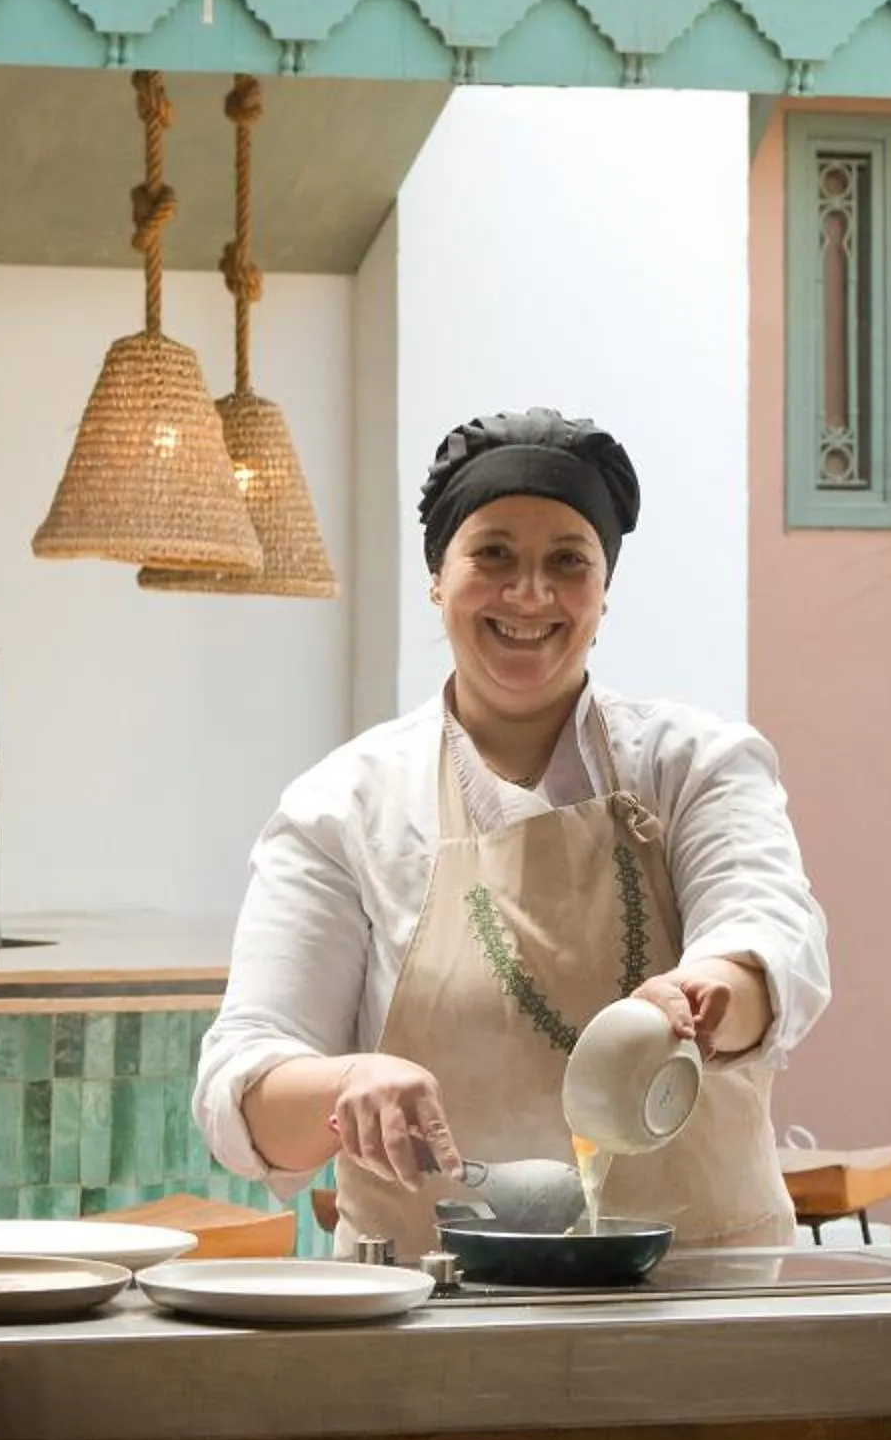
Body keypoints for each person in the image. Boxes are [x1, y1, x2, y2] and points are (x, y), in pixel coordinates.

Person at [193, 408, 831, 1251]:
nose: (530, 594)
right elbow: (244, 1080)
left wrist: (710, 990)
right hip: (431, 1318)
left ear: (604, 593)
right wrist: (348, 1082)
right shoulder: (345, 807)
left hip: (696, 1308)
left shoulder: (695, 764)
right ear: (437, 576)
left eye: (568, 561)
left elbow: (771, 933)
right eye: (493, 554)